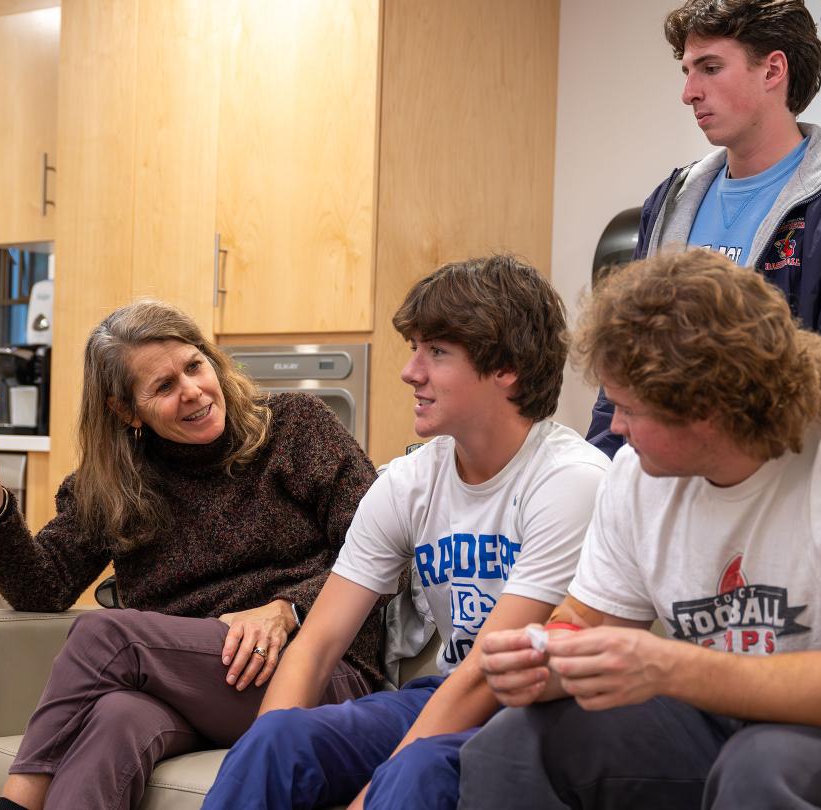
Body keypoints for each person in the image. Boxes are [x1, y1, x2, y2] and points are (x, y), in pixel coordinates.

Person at [462, 250, 821, 810]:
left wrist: (669, 666)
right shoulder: (636, 475)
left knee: (762, 764)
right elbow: (584, 621)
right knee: (513, 742)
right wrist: (542, 662)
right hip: (727, 724)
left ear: (708, 409)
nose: (615, 427)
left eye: (630, 409)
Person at [0, 300, 383, 810]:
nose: (192, 391)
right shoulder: (114, 483)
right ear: (126, 410)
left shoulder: (297, 428)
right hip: (189, 685)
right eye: (164, 387)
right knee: (116, 718)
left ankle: (15, 802)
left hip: (314, 670)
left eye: (194, 366)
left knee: (105, 635)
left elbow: (384, 552)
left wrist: (287, 609)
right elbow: (41, 588)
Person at [202, 255, 610, 810]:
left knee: (417, 769)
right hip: (443, 692)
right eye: (414, 348)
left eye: (436, 352)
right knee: (278, 740)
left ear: (506, 368)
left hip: (538, 713)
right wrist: (264, 746)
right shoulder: (409, 481)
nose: (410, 371)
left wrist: (368, 797)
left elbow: (489, 670)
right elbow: (317, 646)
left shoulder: (570, 482)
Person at [585, 0, 821, 456]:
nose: (689, 92)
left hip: (785, 481)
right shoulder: (670, 200)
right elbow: (622, 378)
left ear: (773, 70)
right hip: (664, 485)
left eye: (710, 68)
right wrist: (604, 475)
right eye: (687, 71)